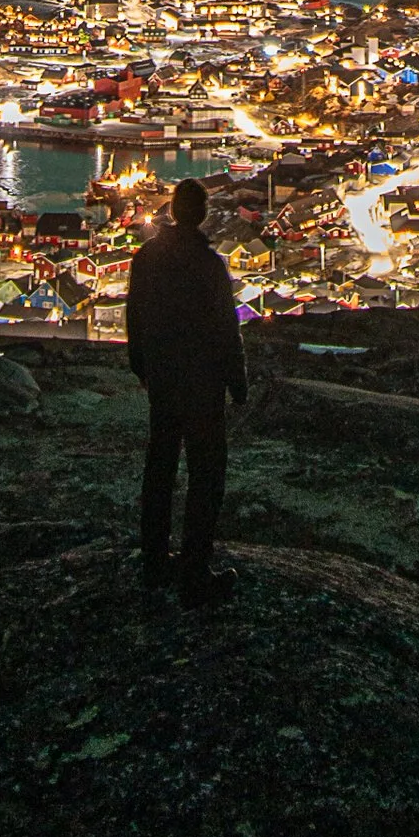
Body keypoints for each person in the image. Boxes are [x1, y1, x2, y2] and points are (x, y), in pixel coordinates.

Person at [125, 175, 248, 607]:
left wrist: (140, 364)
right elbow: (225, 327)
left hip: (163, 377)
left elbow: (134, 315)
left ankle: (154, 563)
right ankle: (195, 570)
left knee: (159, 467)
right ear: (204, 214)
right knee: (206, 473)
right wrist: (238, 381)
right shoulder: (210, 265)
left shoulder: (147, 256)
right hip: (203, 381)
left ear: (173, 211)